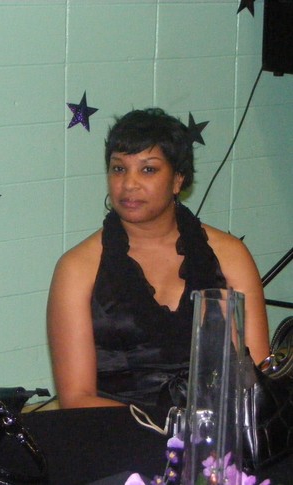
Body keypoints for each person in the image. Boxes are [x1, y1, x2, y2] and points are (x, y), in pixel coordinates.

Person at [47, 108, 270, 412]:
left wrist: (204, 431)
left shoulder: (230, 255)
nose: (129, 184)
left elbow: (256, 379)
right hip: (116, 431)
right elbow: (76, 398)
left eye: (148, 170)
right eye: (118, 168)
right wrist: (168, 429)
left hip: (215, 430)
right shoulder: (76, 268)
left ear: (178, 179)